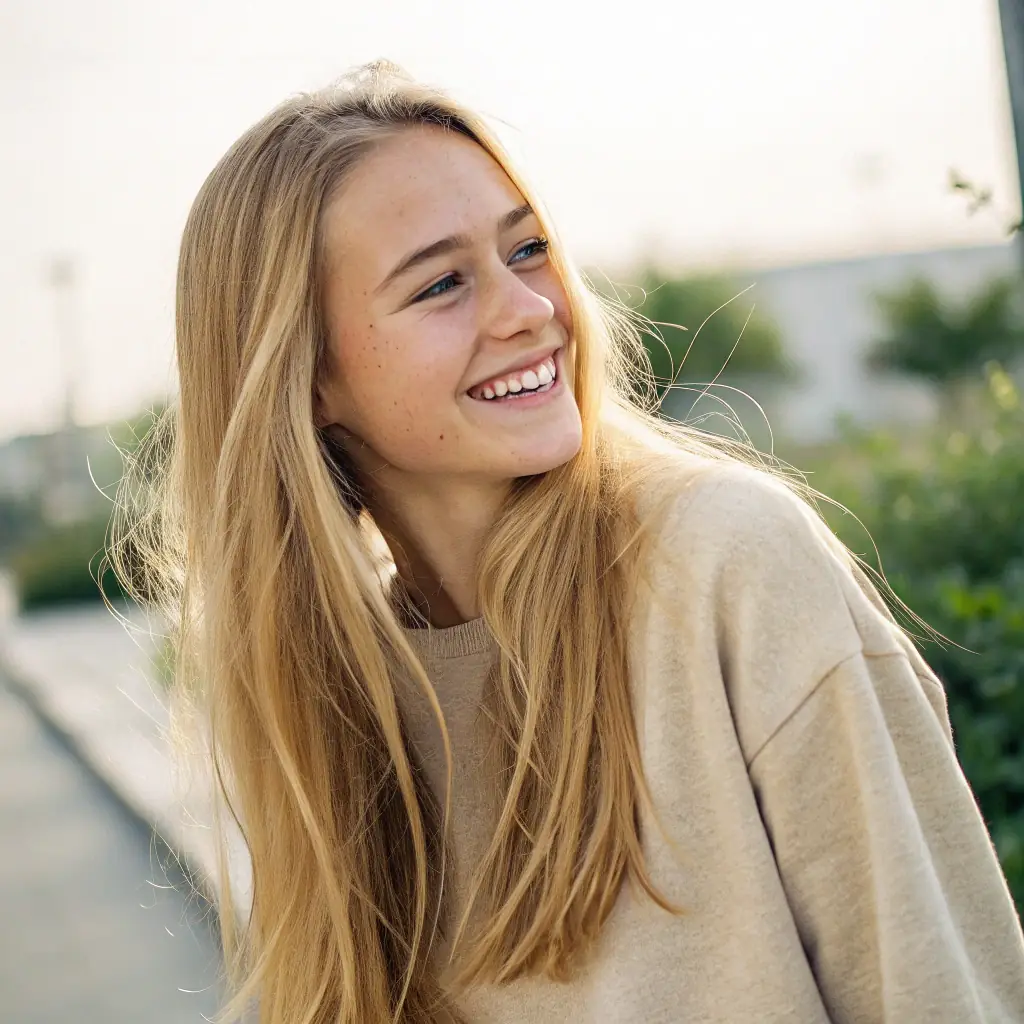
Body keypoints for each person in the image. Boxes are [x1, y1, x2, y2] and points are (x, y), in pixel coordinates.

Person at [112, 60, 1024, 1024]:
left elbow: (938, 994)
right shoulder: (335, 701)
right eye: (442, 284)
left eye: (528, 249)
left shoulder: (727, 566)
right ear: (309, 380)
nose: (531, 309)